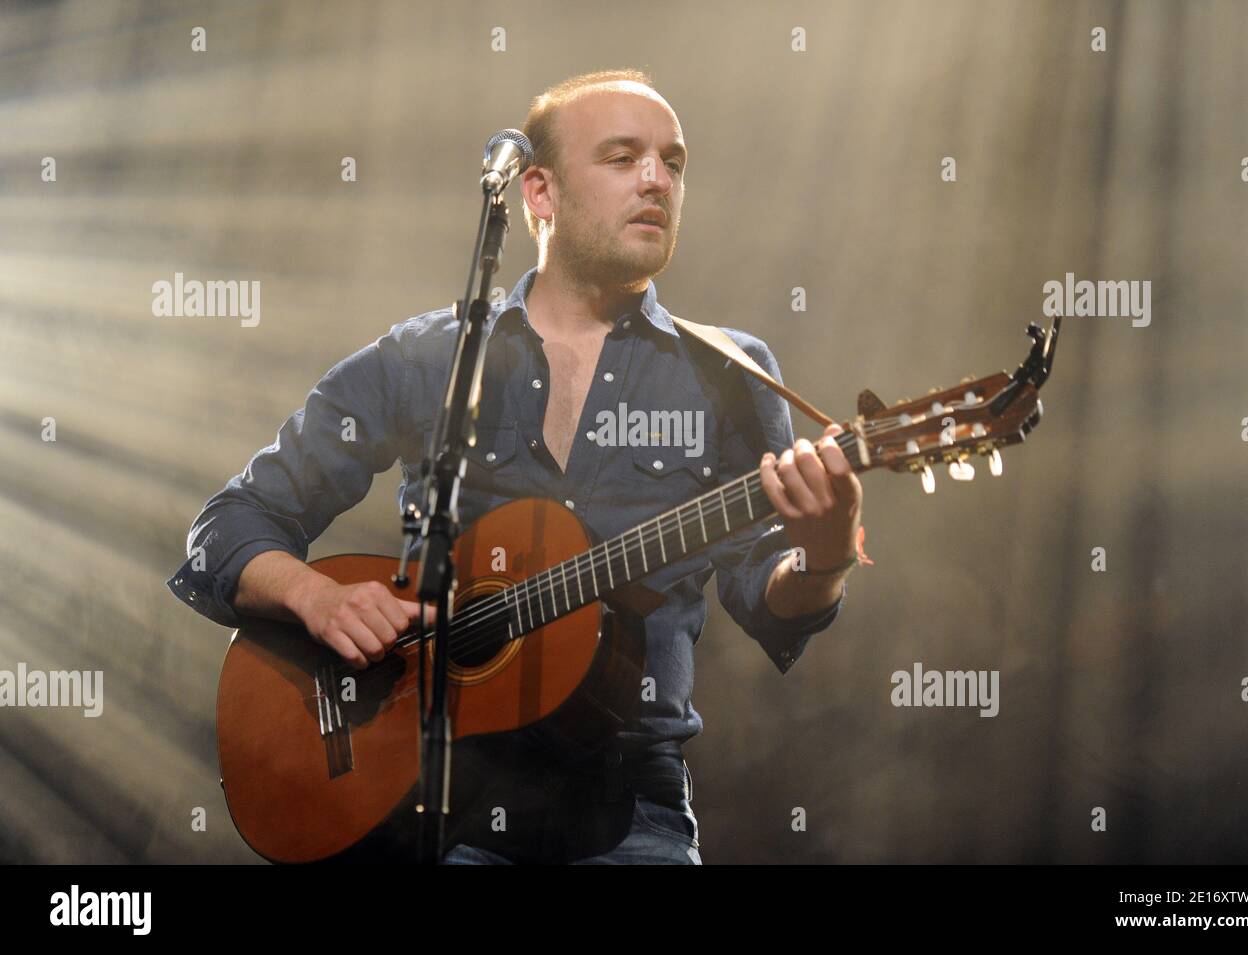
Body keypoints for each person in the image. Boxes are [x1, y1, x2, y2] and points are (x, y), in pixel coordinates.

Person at [168, 69, 863, 864]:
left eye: (673, 162)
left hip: (629, 808)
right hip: (428, 798)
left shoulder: (732, 373)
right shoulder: (431, 358)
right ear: (538, 191)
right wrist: (315, 597)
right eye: (622, 156)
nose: (656, 180)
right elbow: (227, 526)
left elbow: (770, 596)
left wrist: (826, 553)